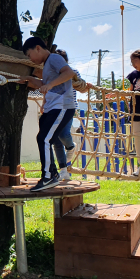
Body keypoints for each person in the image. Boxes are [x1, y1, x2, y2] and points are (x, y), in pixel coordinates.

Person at [17, 37, 77, 192]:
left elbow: (69, 72)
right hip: (52, 107)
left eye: (30, 55)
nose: (30, 59)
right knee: (44, 138)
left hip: (61, 106)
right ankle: (52, 174)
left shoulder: (54, 58)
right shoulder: (47, 65)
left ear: (38, 48)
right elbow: (44, 85)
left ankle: (48, 176)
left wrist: (49, 84)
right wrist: (29, 79)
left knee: (44, 138)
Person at [50, 48, 78, 181]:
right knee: (56, 140)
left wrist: (84, 84)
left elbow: (80, 84)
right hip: (54, 108)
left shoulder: (72, 73)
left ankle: (71, 146)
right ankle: (63, 170)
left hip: (67, 108)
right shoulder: (52, 74)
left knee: (63, 134)